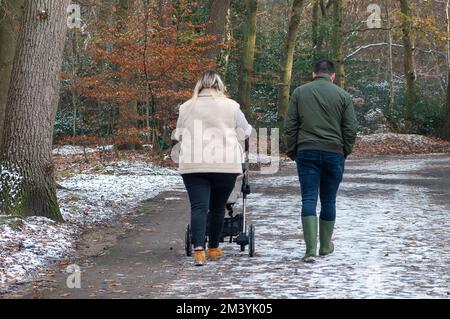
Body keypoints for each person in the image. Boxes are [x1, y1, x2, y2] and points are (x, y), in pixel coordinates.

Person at [173, 70, 252, 266]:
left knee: (199, 207)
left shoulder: (186, 107)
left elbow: (179, 135)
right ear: (219, 85)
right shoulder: (231, 106)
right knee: (217, 208)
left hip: (194, 164)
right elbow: (246, 131)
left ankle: (199, 251)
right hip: (225, 166)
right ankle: (214, 248)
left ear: (200, 85)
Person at [284, 59, 358, 263]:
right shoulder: (344, 96)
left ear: (313, 74)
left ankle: (310, 250)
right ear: (333, 76)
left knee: (308, 199)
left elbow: (290, 125)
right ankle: (325, 245)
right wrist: (344, 151)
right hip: (334, 152)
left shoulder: (300, 92)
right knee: (329, 199)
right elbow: (351, 129)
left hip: (307, 151)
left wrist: (293, 151)